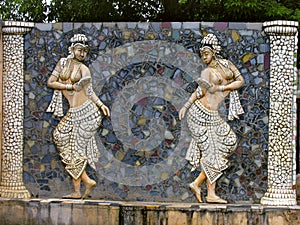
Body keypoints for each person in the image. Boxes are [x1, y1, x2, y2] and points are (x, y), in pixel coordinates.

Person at [179, 33, 244, 203]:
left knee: (229, 141)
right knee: (212, 151)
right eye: (202, 55)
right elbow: (198, 92)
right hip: (199, 114)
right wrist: (186, 106)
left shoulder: (227, 65)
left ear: (214, 52)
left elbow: (240, 81)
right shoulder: (206, 72)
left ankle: (197, 183)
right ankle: (211, 193)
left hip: (213, 115)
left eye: (206, 53)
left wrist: (222, 88)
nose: (204, 57)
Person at [46, 34, 110, 199]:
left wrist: (101, 104)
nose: (82, 54)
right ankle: (86, 182)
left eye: (85, 52)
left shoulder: (84, 69)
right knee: (59, 136)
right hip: (74, 112)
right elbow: (51, 82)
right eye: (80, 50)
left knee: (76, 148)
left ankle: (78, 190)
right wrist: (69, 86)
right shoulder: (62, 64)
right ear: (72, 49)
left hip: (88, 112)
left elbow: (89, 91)